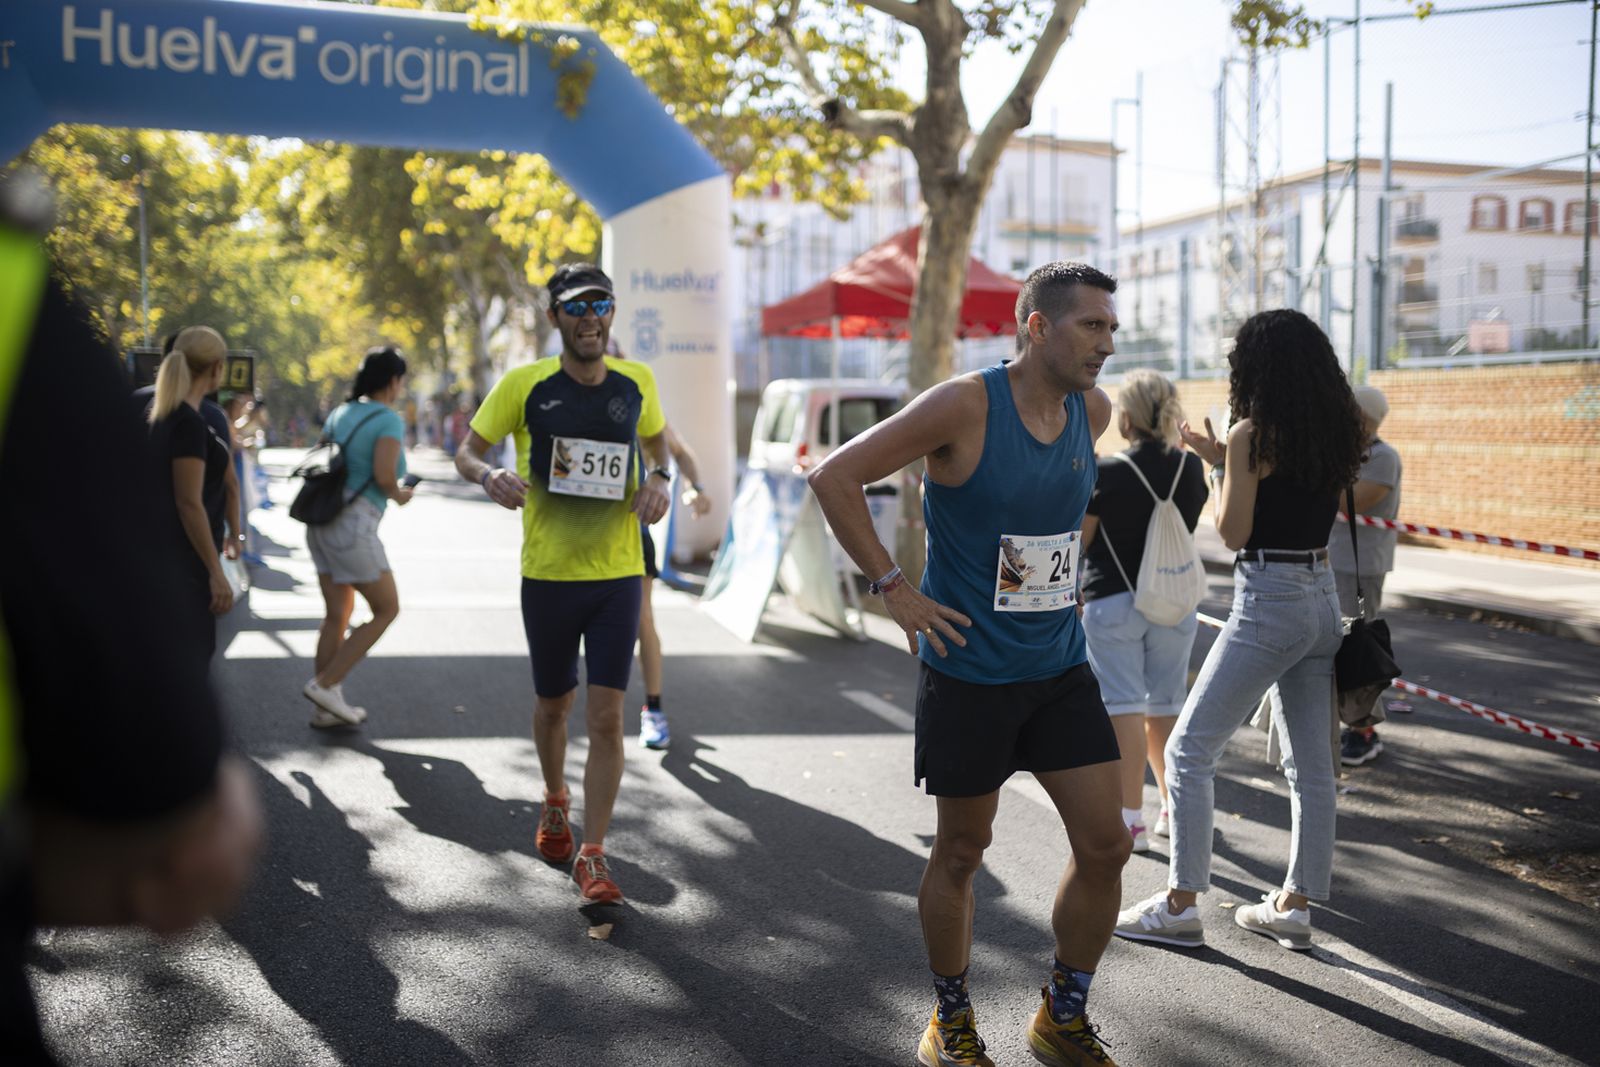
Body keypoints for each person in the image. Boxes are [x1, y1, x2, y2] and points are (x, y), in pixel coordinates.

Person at [809, 262, 1127, 1067]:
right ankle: (949, 1018)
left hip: (1058, 666)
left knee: (1107, 844)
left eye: (1111, 327)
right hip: (968, 669)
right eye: (1091, 325)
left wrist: (1062, 582)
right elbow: (834, 475)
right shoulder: (965, 404)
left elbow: (1065, 515)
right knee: (961, 850)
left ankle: (1062, 1012)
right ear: (1037, 326)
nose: (1107, 342)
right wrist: (893, 589)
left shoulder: (1094, 410)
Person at [0, 174, 261, 1065]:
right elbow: (128, 546)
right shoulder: (15, 291)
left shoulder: (158, 412)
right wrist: (182, 795)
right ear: (214, 365)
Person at [1112, 308, 1364, 954]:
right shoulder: (1334, 428)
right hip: (1319, 597)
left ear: (1258, 366)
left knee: (1186, 751)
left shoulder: (1254, 433)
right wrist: (1223, 456)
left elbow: (1232, 532)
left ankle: (1178, 904)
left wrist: (1226, 465)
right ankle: (1295, 904)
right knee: (1312, 767)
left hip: (1269, 601)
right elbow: (1293, 497)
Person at [453, 263, 672, 905]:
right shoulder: (524, 385)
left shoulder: (638, 381)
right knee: (555, 706)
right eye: (576, 307)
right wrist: (487, 475)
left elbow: (659, 445)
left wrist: (660, 478)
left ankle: (595, 854)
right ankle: (555, 799)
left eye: (601, 304)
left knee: (607, 719)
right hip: (548, 574)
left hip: (617, 574)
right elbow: (467, 451)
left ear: (612, 313)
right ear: (554, 318)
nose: (590, 317)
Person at [1079, 369, 1209, 851]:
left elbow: (1083, 540)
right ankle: (1174, 811)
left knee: (1124, 705)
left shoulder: (1108, 472)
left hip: (1114, 600)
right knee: (1168, 705)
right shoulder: (1191, 468)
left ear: (1127, 416)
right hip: (1174, 601)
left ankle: (1130, 819)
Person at [301, 346, 414, 729]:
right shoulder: (388, 420)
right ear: (393, 381)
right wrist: (401, 495)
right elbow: (385, 476)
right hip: (353, 525)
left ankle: (325, 708)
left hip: (321, 522)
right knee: (387, 608)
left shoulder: (340, 412)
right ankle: (326, 684)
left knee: (337, 614)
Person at [145, 326, 241, 659]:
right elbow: (189, 503)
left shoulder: (163, 415)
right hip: (186, 566)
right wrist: (215, 572)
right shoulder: (187, 423)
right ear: (216, 367)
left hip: (161, 558)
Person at [1331, 385, 1402, 767]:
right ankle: (1348, 723)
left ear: (1364, 419)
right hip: (1336, 561)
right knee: (1336, 648)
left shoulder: (1383, 457)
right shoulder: (1351, 453)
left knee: (1359, 649)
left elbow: (1349, 499)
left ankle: (1364, 731)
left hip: (1363, 566)